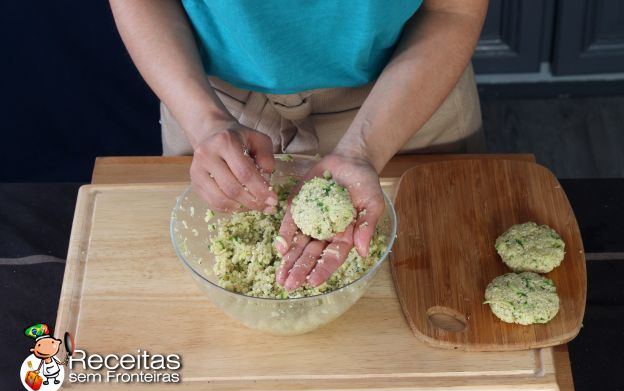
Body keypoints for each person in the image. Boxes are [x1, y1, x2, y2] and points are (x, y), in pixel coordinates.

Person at [110, 0, 488, 291]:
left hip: (407, 95)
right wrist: (205, 123)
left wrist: (363, 149)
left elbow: (452, 10)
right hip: (211, 103)